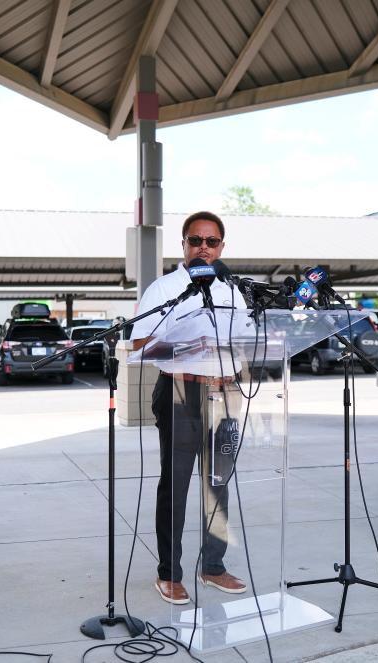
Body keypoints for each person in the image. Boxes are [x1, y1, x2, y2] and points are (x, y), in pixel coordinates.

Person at [130, 211, 249, 605]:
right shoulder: (166, 288)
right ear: (183, 245)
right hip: (182, 392)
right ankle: (169, 573)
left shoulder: (232, 290)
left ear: (221, 247)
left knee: (217, 484)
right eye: (195, 240)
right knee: (177, 485)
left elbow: (248, 337)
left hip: (225, 394)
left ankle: (212, 567)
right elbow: (138, 344)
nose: (203, 247)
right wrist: (185, 345)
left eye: (211, 242)